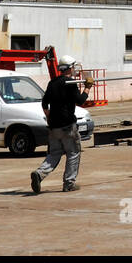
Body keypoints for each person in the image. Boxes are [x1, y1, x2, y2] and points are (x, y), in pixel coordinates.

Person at [32, 54, 89, 193]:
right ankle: (69, 183)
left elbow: (44, 103)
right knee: (73, 153)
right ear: (69, 68)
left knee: (54, 153)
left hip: (53, 127)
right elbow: (81, 100)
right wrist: (88, 87)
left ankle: (39, 174)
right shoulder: (70, 84)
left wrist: (50, 117)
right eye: (74, 67)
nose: (75, 69)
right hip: (68, 126)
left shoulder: (52, 83)